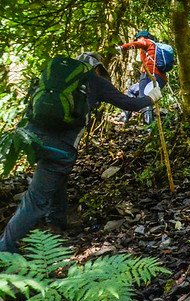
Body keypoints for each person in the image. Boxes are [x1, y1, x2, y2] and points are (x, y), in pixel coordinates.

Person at [0, 52, 161, 253]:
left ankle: (56, 224)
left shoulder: (56, 78)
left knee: (57, 178)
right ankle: (5, 249)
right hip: (61, 148)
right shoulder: (94, 80)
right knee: (35, 199)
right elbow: (130, 104)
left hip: (31, 139)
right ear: (98, 69)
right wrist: (152, 96)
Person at [117, 30, 168, 124]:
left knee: (144, 98)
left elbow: (140, 43)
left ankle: (148, 126)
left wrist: (122, 47)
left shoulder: (146, 42)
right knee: (132, 90)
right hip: (160, 79)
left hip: (149, 75)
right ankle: (125, 117)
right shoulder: (154, 47)